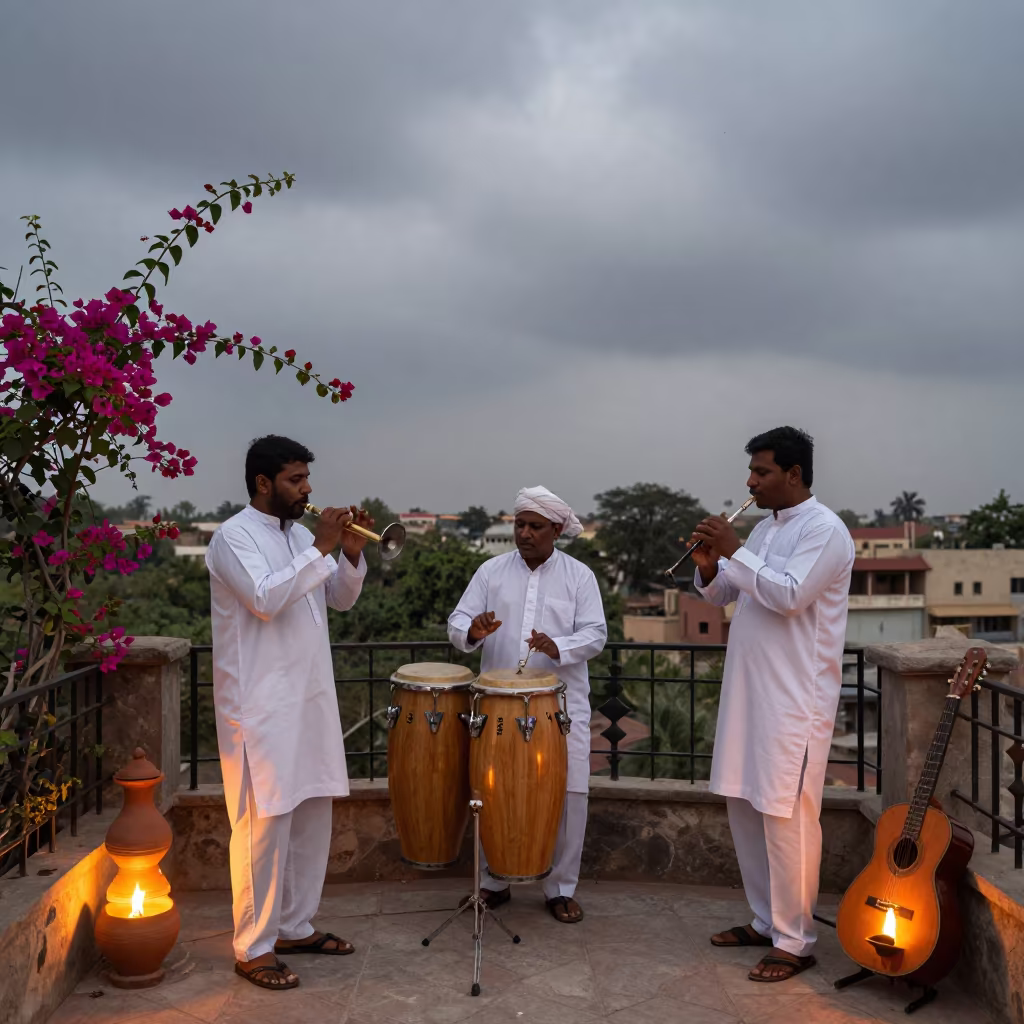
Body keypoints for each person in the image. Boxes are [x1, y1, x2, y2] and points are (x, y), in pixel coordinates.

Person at [205, 435, 374, 991]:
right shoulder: (232, 538)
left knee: (309, 818)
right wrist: (322, 548)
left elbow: (341, 600)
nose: (307, 490)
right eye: (296, 480)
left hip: (308, 701)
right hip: (261, 709)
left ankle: (295, 925)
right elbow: (266, 598)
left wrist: (348, 552)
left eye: (307, 479)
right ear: (262, 483)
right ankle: (253, 947)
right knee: (262, 826)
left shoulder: (300, 535)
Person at [689, 426, 854, 983]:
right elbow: (726, 594)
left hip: (794, 700)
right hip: (748, 693)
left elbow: (787, 595)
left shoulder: (826, 531)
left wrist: (735, 551)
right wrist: (712, 564)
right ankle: (765, 920)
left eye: (761, 472)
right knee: (745, 805)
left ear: (795, 475)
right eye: (751, 472)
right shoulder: (762, 528)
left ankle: (796, 938)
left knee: (786, 815)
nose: (751, 482)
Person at [448, 486, 607, 923]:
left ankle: (560, 888)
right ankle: (493, 881)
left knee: (570, 793)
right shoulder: (491, 572)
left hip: (559, 707)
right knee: (494, 790)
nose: (524, 533)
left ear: (556, 529)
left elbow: (596, 633)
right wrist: (474, 631)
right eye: (520, 524)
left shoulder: (579, 576)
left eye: (535, 526)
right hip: (498, 706)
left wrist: (560, 646)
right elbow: (457, 621)